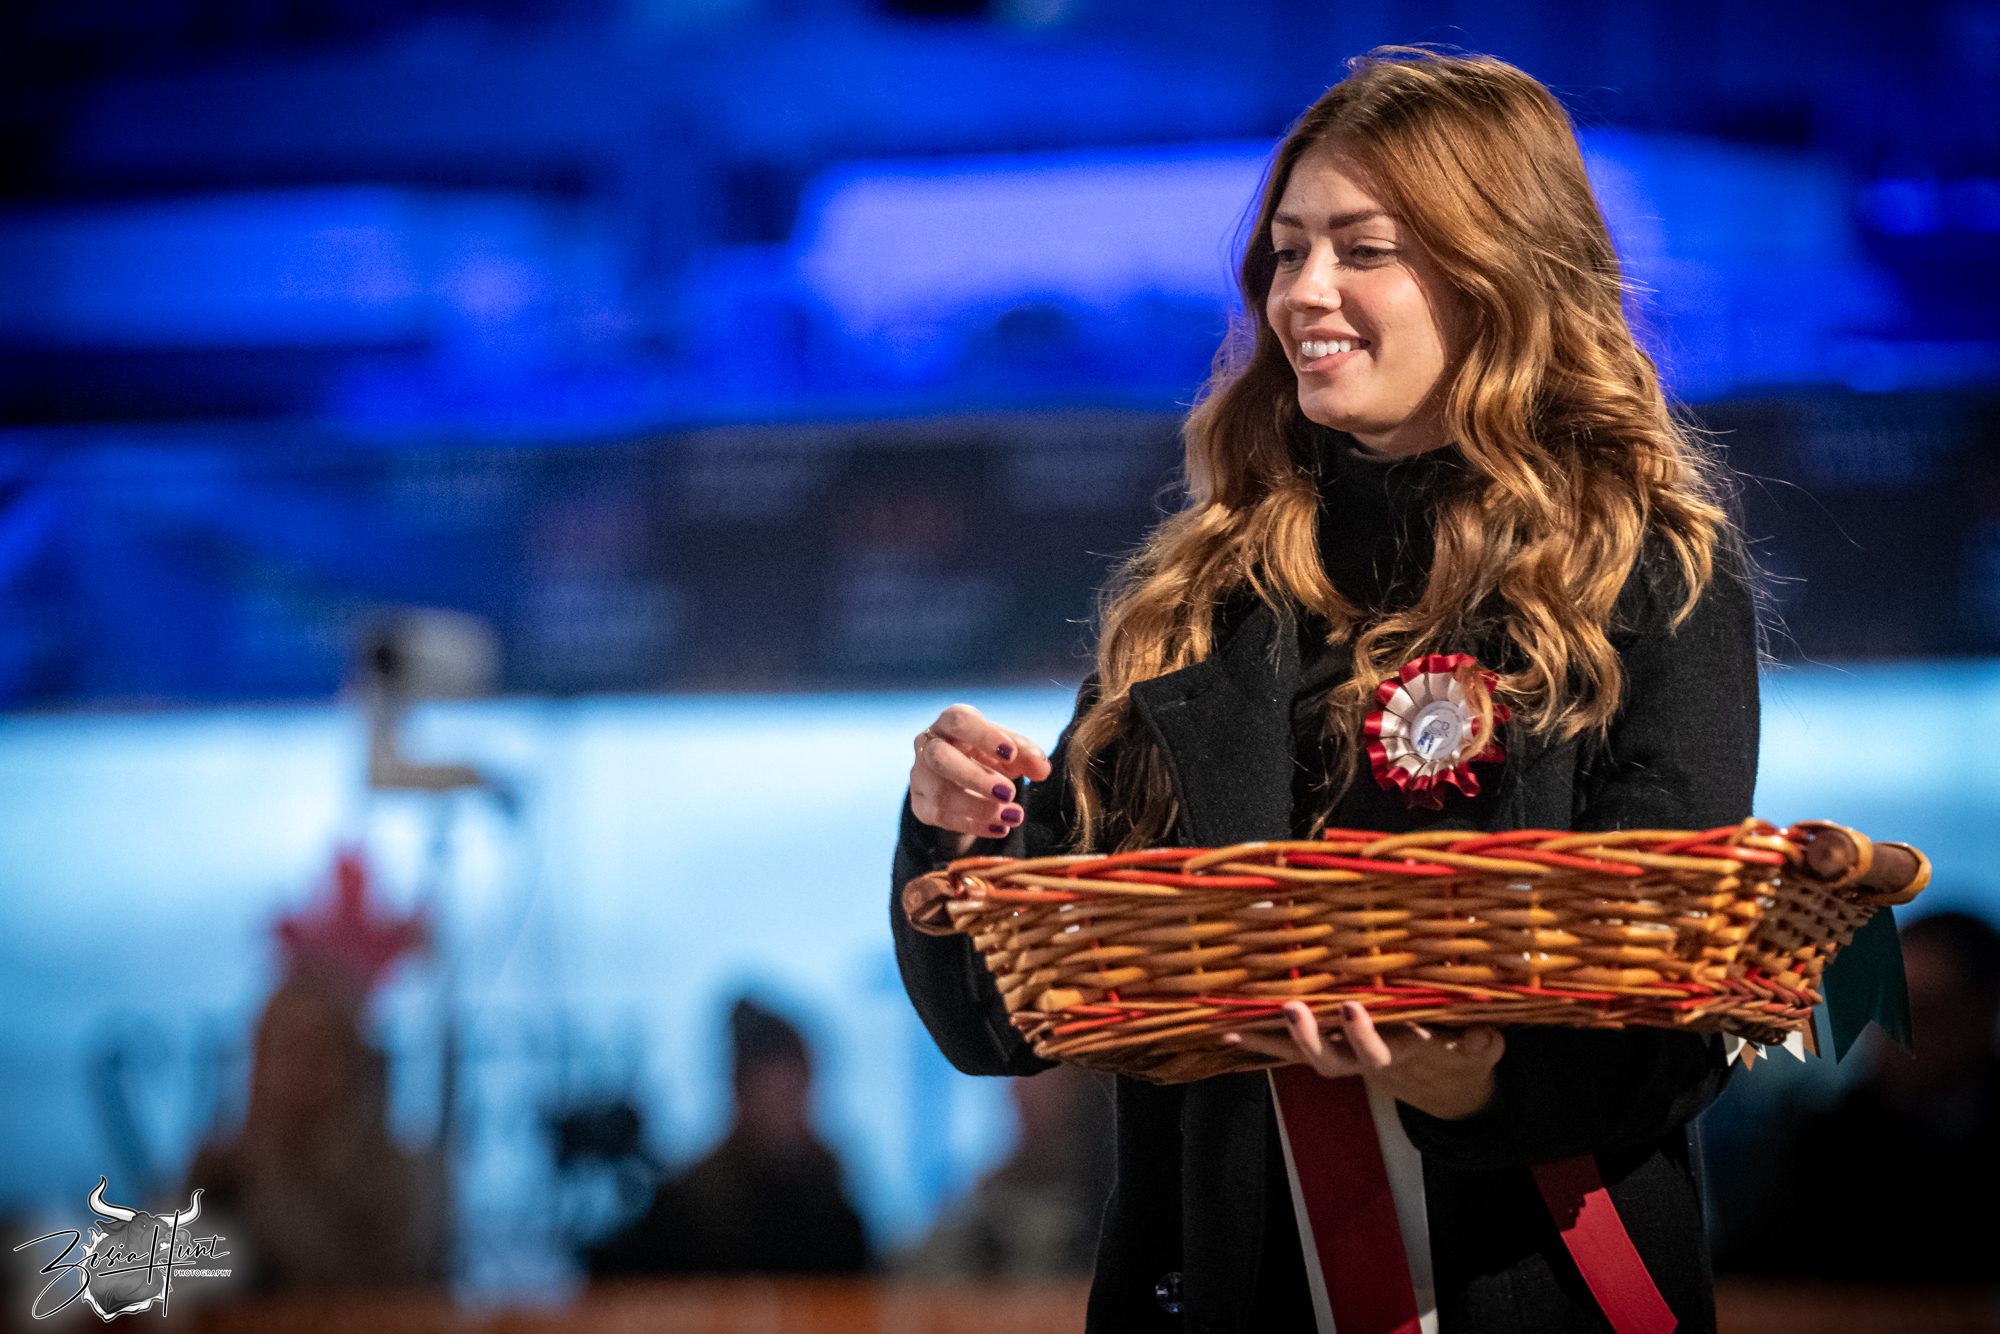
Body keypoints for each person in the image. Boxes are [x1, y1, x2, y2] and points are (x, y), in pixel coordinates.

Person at [891, 48, 1757, 1334]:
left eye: (1363, 250)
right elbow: (1000, 1021)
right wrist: (954, 827)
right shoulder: (1195, 600)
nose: (1302, 291)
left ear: (1496, 267)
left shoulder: (1641, 567)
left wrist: (1476, 1085)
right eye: (1286, 252)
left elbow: (1675, 1000)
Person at [1718, 911, 2000, 1281]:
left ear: (1983, 1013)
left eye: (1920, 1014)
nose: (1892, 1036)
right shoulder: (1826, 1144)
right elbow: (1747, 1275)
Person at [585, 998, 870, 1277]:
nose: (792, 1104)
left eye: (798, 1086)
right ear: (739, 1090)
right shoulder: (692, 1204)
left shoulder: (830, 1198)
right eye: (775, 1088)